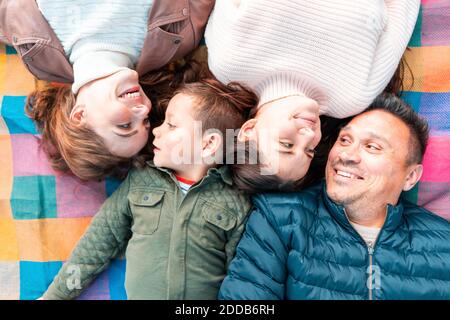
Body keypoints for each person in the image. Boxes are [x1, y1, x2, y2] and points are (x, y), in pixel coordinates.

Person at [40, 79, 258, 299]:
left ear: (208, 144)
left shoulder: (236, 201)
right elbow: (96, 244)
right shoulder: (142, 180)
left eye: (171, 125)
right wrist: (56, 296)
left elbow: (240, 275)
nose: (156, 130)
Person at [219, 93, 450, 300]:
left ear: (410, 176)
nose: (347, 155)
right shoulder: (281, 217)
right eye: (345, 140)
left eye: (372, 147)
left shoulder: (444, 244)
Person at [205, 0, 420, 191]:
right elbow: (402, 12)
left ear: (249, 130)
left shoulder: (229, 64)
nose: (309, 136)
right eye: (309, 150)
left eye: (287, 144)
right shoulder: (350, 98)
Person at [0, 0, 214, 180]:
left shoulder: (33, 52)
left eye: (124, 125)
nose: (142, 110)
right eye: (146, 121)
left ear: (80, 115)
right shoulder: (179, 36)